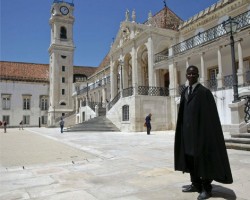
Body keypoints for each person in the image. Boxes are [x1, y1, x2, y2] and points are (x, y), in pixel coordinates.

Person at [174, 65, 233, 200]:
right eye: (189, 74)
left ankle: (207, 188)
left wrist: (207, 135)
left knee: (204, 160)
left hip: (201, 135)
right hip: (187, 135)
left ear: (198, 75)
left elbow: (210, 117)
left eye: (194, 74)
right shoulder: (184, 92)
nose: (191, 76)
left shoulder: (204, 92)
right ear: (186, 76)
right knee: (190, 159)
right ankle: (195, 184)